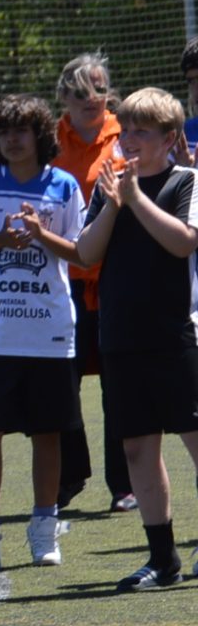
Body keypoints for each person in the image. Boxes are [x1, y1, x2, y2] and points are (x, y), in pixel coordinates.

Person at [0, 96, 87, 574]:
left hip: (50, 335)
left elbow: (81, 253)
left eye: (22, 130)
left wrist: (39, 234)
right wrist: (2, 239)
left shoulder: (64, 187)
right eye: (5, 130)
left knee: (46, 434)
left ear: (40, 136)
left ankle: (44, 527)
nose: (13, 138)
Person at [75, 88, 198, 591]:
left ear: (170, 138)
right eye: (124, 131)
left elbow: (183, 241)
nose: (128, 141)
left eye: (141, 132)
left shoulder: (185, 181)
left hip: (176, 336)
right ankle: (162, 558)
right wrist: (112, 204)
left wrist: (137, 199)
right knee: (137, 451)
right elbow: (85, 253)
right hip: (121, 338)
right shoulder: (109, 187)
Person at [49, 55, 129, 512]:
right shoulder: (50, 142)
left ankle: (125, 485)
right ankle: (69, 477)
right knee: (63, 380)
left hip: (114, 278)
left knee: (118, 383)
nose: (91, 99)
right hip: (64, 280)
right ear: (65, 97)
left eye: (99, 90)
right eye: (81, 92)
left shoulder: (125, 136)